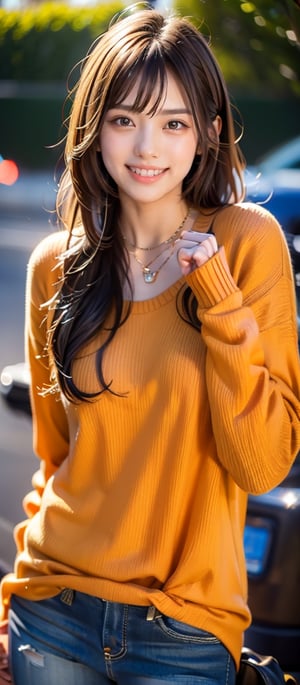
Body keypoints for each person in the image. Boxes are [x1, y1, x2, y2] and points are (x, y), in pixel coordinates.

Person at [1, 6, 300, 685]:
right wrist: (12, 603)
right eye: (124, 119)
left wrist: (219, 302)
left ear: (208, 133)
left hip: (185, 630)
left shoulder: (248, 244)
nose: (146, 147)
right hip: (53, 613)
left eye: (173, 122)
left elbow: (261, 466)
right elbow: (57, 459)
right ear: (96, 129)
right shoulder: (56, 265)